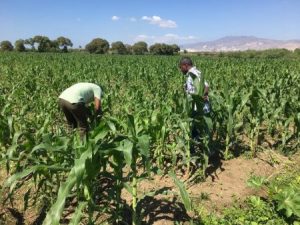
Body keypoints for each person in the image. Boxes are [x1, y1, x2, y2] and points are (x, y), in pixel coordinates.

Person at [179, 57, 210, 153]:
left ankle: (201, 151)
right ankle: (198, 150)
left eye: (181, 67)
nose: (180, 70)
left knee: (198, 129)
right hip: (196, 107)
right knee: (195, 129)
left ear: (186, 65)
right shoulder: (192, 74)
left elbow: (206, 86)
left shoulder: (193, 73)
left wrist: (203, 96)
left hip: (199, 108)